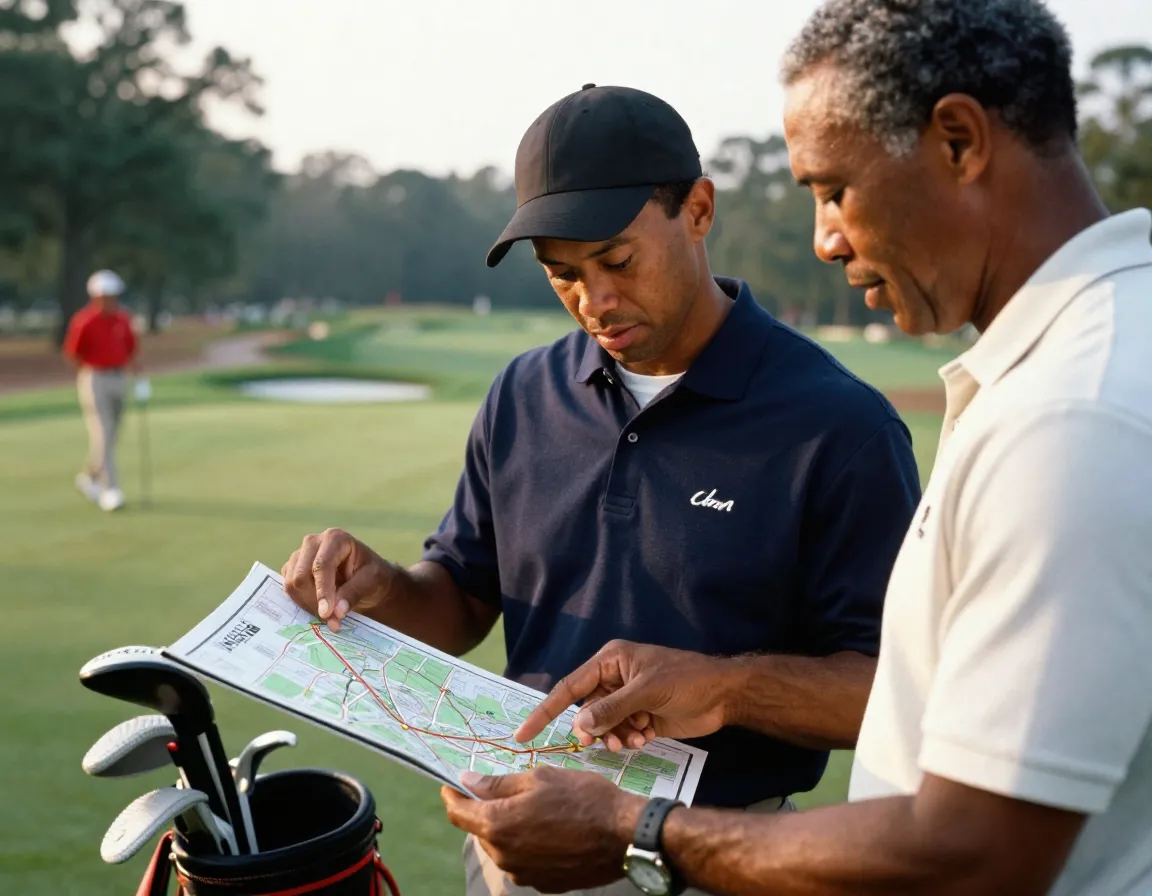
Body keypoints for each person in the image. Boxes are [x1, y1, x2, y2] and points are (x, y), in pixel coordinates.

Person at [439, 2, 1152, 895]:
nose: (824, 240)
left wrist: (638, 827)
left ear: (960, 142)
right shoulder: (1089, 364)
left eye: (833, 189)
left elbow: (977, 853)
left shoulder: (1075, 418)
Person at [281, 83, 921, 895]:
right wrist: (385, 590)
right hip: (516, 857)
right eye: (563, 276)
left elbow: (892, 691)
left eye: (617, 261)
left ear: (697, 209)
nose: (595, 301)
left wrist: (723, 687)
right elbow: (461, 603)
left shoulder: (840, 428)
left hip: (713, 861)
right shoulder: (522, 394)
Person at [63, 269, 147, 512]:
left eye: (114, 295)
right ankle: (111, 490)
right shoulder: (84, 321)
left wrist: (139, 375)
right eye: (106, 295)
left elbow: (131, 349)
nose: (111, 300)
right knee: (103, 432)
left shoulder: (123, 319)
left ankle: (89, 476)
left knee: (113, 434)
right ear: (95, 296)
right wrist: (88, 376)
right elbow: (72, 354)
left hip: (120, 377)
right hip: (94, 378)